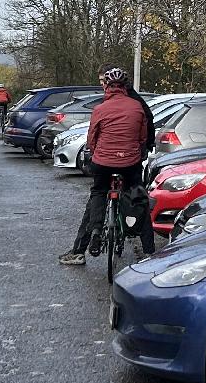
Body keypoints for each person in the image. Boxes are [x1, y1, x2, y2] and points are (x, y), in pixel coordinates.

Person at [60, 67, 155, 266]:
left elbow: (92, 138)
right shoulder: (137, 106)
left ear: (107, 86)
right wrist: (140, 151)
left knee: (97, 194)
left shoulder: (100, 108)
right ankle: (149, 253)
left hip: (103, 162)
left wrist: (95, 153)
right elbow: (142, 136)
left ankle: (90, 238)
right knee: (139, 198)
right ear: (125, 85)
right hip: (130, 163)